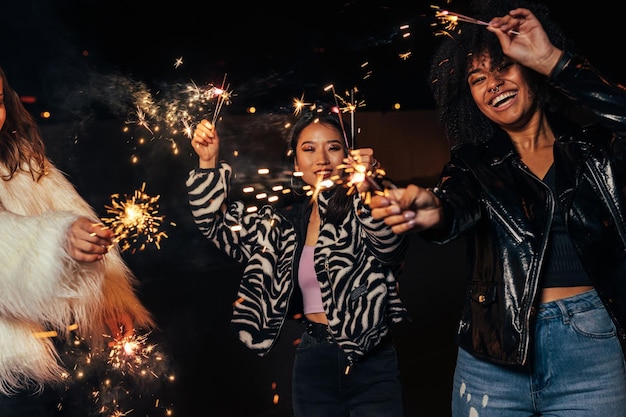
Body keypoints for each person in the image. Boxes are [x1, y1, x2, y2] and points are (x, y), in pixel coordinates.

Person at [369, 1, 626, 416]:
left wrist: (552, 60)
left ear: (528, 69)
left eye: (503, 67)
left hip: (591, 348)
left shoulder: (597, 147)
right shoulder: (472, 164)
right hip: (491, 358)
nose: (493, 84)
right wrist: (430, 211)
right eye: (477, 78)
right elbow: (454, 206)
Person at [187, 109, 410, 417]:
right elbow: (219, 225)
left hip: (371, 358)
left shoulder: (368, 207)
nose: (322, 159)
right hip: (312, 359)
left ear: (350, 157)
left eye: (334, 147)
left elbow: (389, 243)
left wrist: (369, 187)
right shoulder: (285, 223)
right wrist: (208, 161)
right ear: (295, 163)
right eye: (309, 149)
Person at [0, 66, 154, 414]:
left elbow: (82, 228)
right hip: (8, 375)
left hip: (60, 363)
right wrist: (58, 240)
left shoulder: (26, 165)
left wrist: (110, 302)